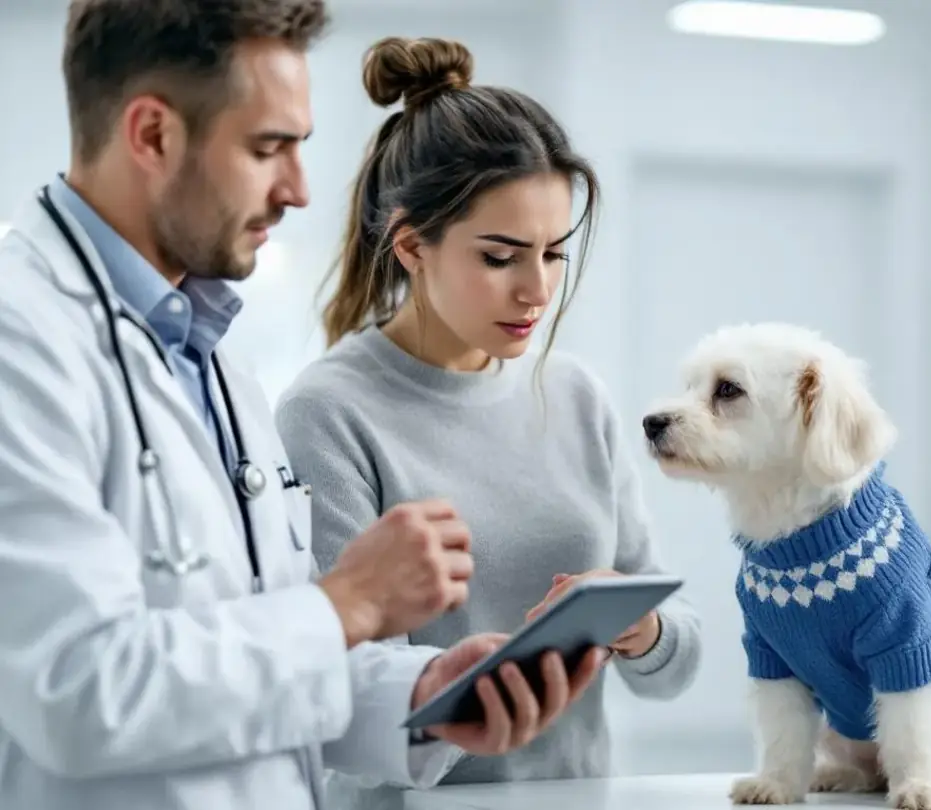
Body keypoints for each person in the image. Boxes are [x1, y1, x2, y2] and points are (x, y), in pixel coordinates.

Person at [0, 4, 606, 810]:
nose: (298, 189)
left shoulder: (214, 360)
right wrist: (347, 603)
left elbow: (269, 661)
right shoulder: (21, 338)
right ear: (151, 135)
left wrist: (423, 695)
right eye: (266, 148)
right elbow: (75, 691)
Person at [273, 35, 703, 808]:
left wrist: (643, 631)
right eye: (501, 257)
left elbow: (677, 664)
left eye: (553, 253)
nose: (536, 289)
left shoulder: (577, 396)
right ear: (411, 246)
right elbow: (337, 698)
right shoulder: (328, 414)